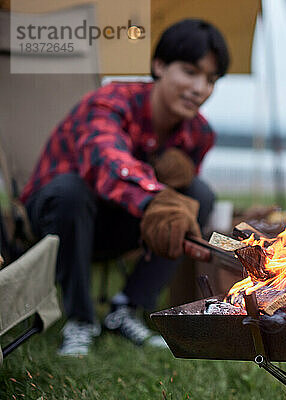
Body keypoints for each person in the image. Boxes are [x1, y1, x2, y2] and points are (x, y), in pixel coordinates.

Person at [20, 19, 229, 356]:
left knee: (198, 195)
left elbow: (177, 209)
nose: (200, 88)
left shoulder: (199, 134)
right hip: (56, 219)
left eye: (211, 79)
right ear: (158, 66)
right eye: (190, 71)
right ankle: (80, 320)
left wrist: (173, 186)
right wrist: (156, 195)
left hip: (122, 224)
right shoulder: (108, 102)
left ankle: (126, 309)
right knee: (72, 190)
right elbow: (105, 160)